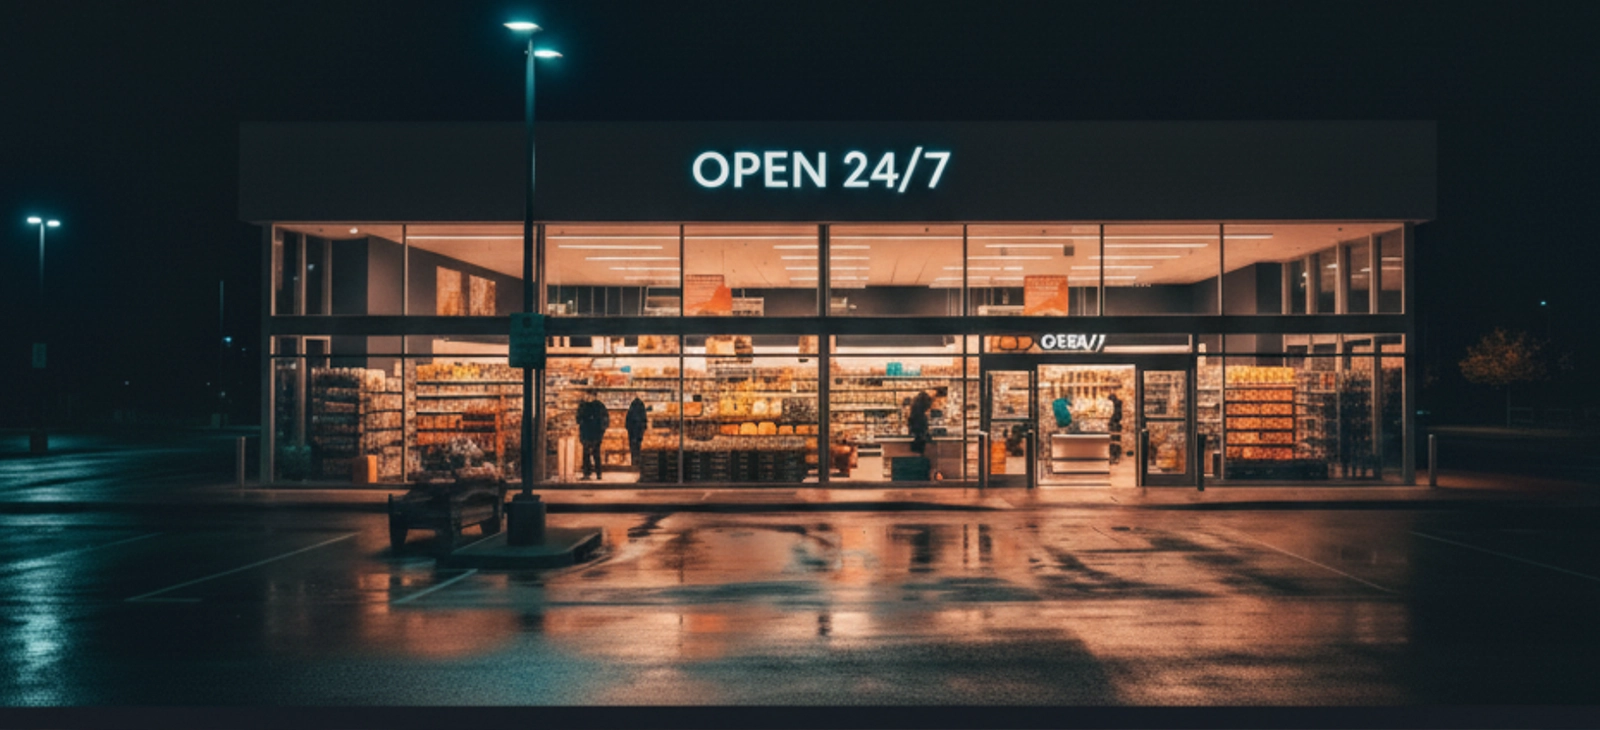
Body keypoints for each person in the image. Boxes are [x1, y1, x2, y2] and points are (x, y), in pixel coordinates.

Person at [576, 389, 610, 480]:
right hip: (588, 433)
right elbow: (578, 419)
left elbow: (605, 420)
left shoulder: (597, 406)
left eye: (589, 395)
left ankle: (596, 473)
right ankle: (588, 473)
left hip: (593, 433)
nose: (587, 397)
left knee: (595, 453)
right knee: (587, 454)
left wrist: (601, 431)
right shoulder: (594, 406)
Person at [908, 390, 934, 455]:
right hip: (920, 444)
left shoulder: (913, 414)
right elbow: (922, 430)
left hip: (915, 443)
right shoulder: (921, 416)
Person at [625, 396, 649, 466]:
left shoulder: (631, 411)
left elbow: (627, 423)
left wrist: (629, 429)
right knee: (638, 446)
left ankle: (634, 461)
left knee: (633, 447)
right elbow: (645, 421)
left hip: (632, 433)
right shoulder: (641, 411)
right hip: (639, 432)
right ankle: (638, 460)